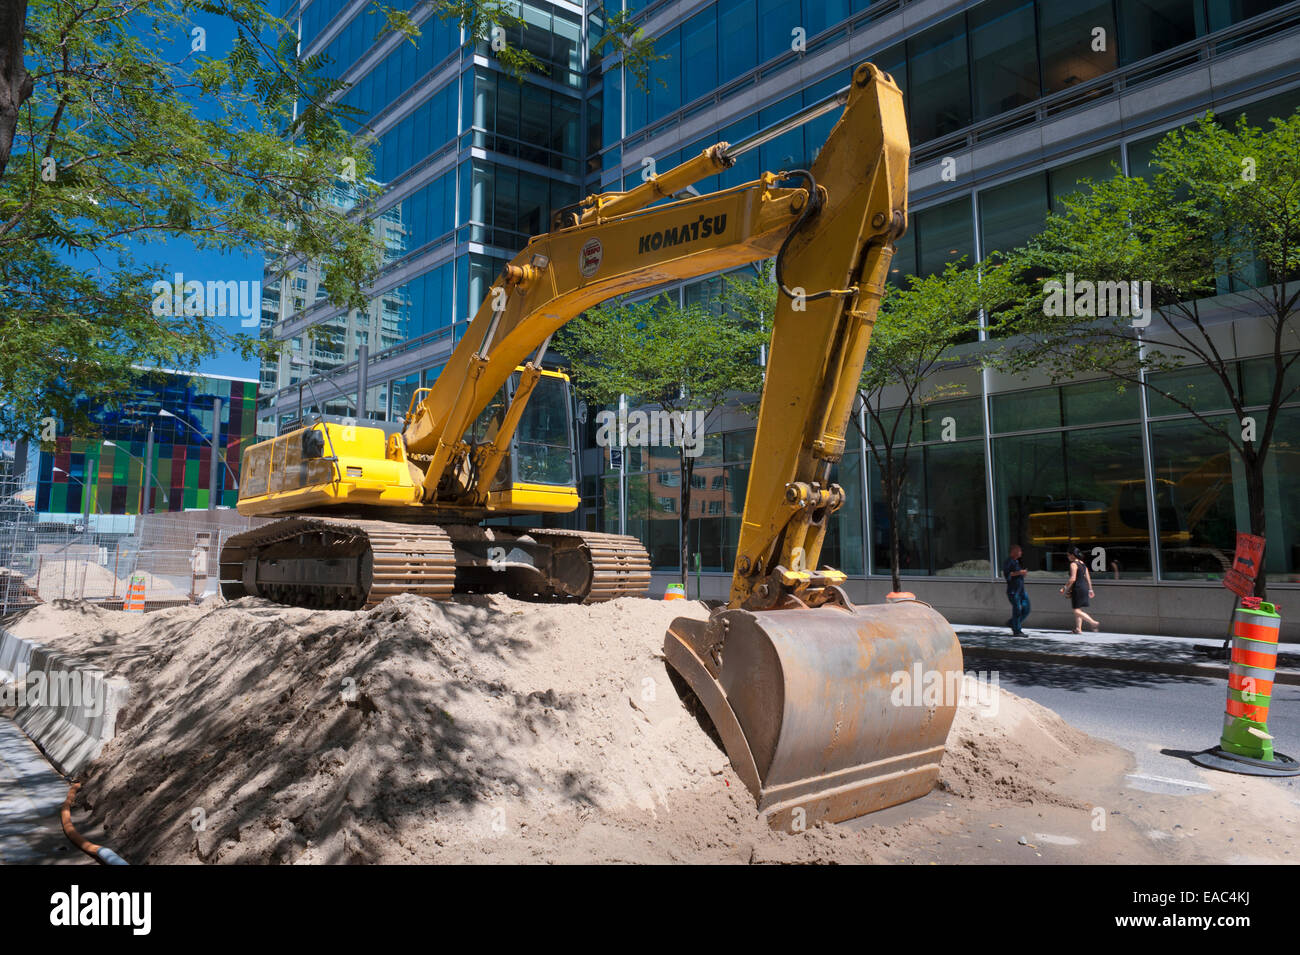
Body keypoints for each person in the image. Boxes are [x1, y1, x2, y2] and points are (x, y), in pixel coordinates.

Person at [1060, 545, 1100, 633]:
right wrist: (1090, 589)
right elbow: (1088, 577)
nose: (1067, 557)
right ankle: (1078, 629)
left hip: (1077, 588)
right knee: (1078, 608)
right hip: (1084, 587)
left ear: (1072, 555)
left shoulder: (1073, 564)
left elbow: (1073, 578)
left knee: (1076, 610)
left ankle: (1093, 622)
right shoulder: (1082, 563)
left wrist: (1064, 587)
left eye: (1068, 555)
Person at [1003, 544, 1030, 636]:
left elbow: (1017, 574)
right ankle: (1017, 630)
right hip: (1013, 591)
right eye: (1019, 550)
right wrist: (1020, 572)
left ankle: (1012, 623)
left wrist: (1022, 574)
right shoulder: (1009, 562)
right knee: (1017, 610)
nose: (1021, 552)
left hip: (1021, 590)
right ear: (1013, 551)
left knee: (1026, 609)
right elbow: (1008, 575)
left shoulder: (1016, 562)